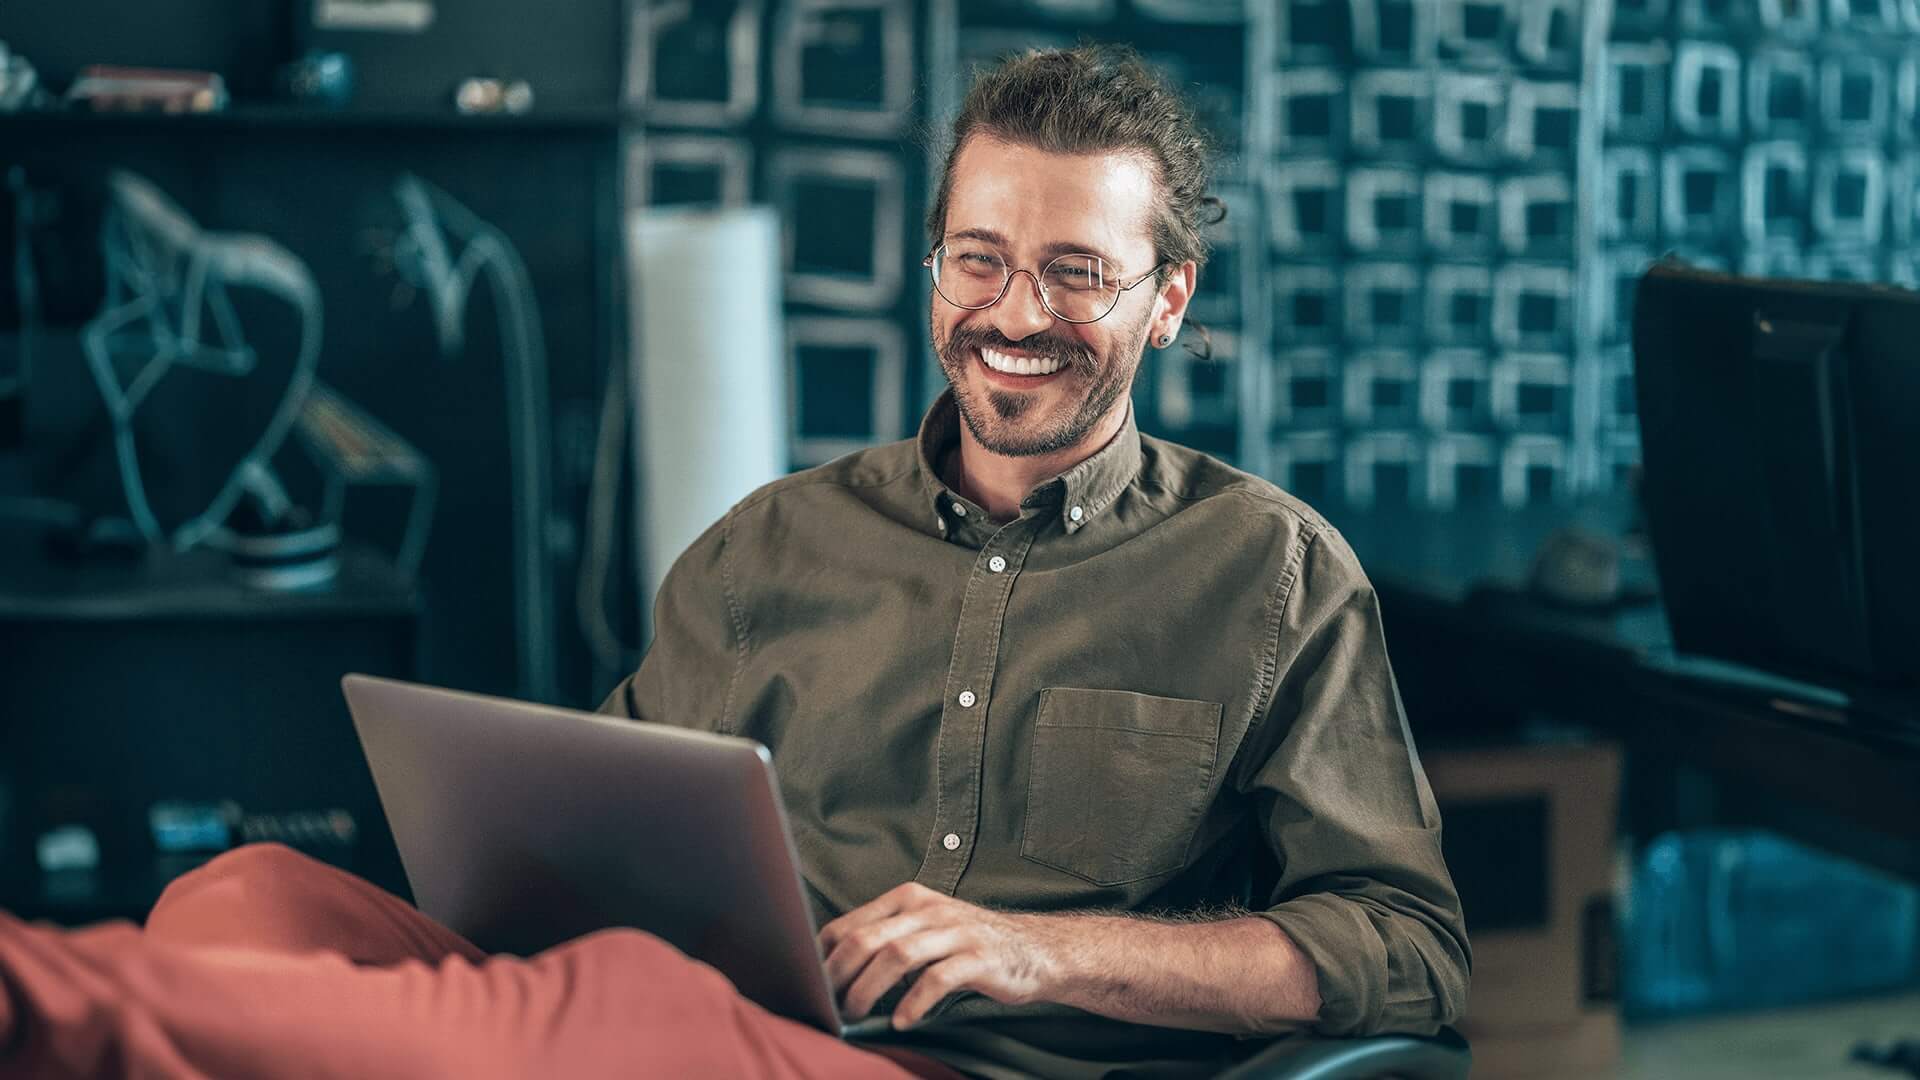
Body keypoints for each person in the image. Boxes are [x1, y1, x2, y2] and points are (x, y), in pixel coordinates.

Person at [0, 45, 1467, 1080]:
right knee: (248, 898)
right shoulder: (775, 543)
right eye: (978, 256)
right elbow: (592, 845)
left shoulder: (1273, 572)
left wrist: (1045, 954)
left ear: (1166, 301)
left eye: (1077, 271)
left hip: (926, 1069)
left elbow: (1403, 948)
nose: (1014, 310)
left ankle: (38, 1003)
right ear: (935, 260)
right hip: (696, 1013)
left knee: (600, 1011)